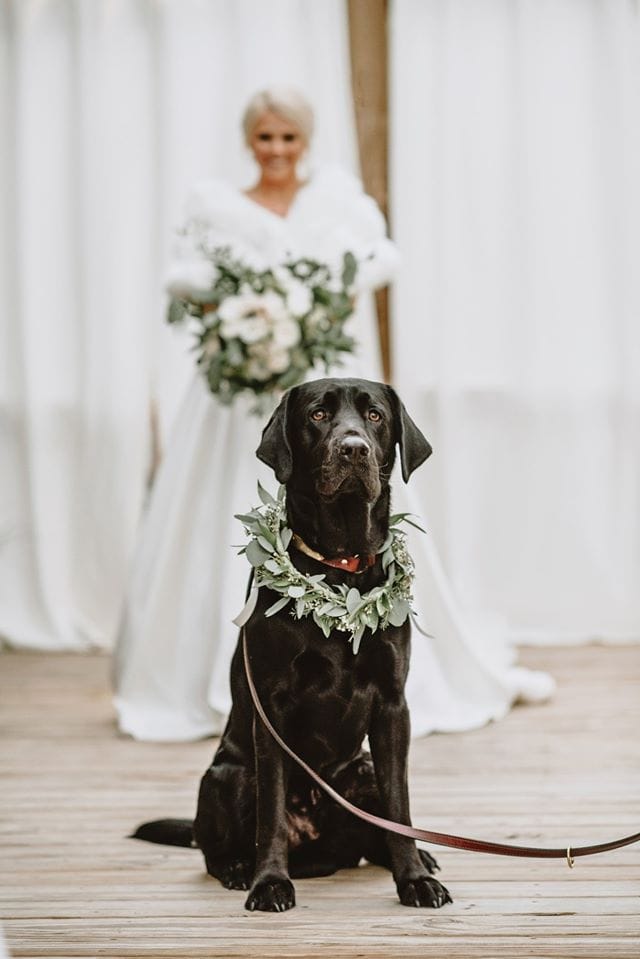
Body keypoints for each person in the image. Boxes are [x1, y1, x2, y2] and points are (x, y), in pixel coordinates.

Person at [113, 87, 553, 742]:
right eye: (266, 138)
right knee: (218, 508)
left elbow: (381, 261)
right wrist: (245, 306)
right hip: (240, 394)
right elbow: (183, 278)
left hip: (322, 379)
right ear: (250, 141)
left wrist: (310, 302)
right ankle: (221, 672)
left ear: (306, 141)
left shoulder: (336, 201)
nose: (277, 150)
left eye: (289, 138)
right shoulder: (217, 207)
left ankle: (363, 667)